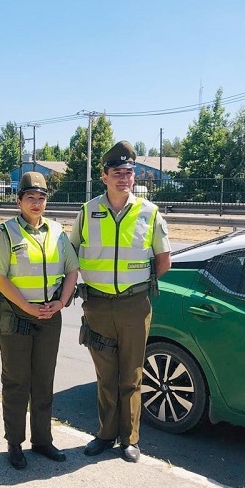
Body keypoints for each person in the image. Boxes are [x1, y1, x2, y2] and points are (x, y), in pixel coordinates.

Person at [69, 141, 172, 463]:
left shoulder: (149, 213)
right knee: (105, 374)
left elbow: (164, 260)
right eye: (117, 173)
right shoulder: (88, 212)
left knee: (132, 374)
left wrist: (133, 283)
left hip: (134, 305)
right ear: (104, 176)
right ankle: (105, 434)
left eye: (129, 173)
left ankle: (130, 439)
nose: (124, 178)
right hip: (98, 305)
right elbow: (71, 255)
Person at [0, 172, 79, 469]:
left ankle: (43, 440)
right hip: (17, 315)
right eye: (30, 198)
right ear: (19, 201)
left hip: (50, 315)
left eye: (41, 198)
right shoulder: (7, 232)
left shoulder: (57, 232)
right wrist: (25, 305)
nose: (36, 204)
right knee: (16, 381)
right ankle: (15, 443)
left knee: (43, 380)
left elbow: (72, 270)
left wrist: (61, 302)